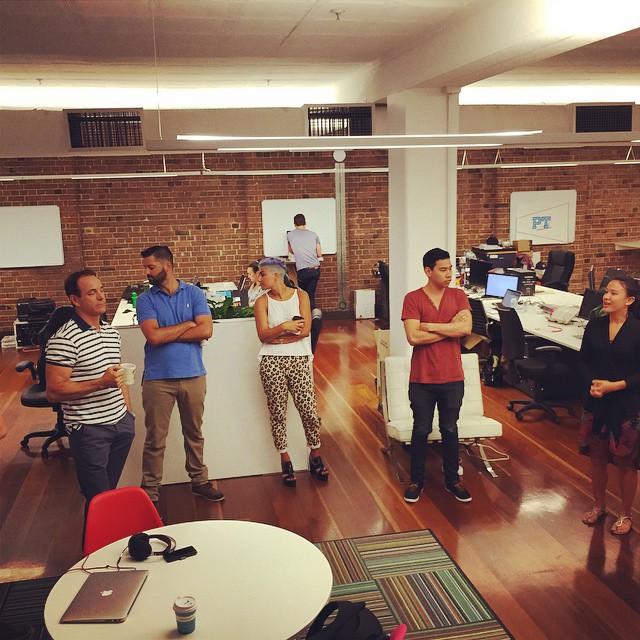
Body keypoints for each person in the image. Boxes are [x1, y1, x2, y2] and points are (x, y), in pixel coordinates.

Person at [136, 245, 224, 506]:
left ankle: (199, 481)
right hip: (157, 379)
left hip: (194, 375)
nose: (147, 272)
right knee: (155, 439)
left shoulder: (194, 294)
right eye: (145, 267)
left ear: (168, 266)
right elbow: (153, 336)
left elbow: (206, 330)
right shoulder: (145, 300)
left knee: (194, 433)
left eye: (150, 267)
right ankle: (150, 492)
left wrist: (169, 333)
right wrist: (188, 324)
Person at [46, 269, 135, 522]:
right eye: (92, 292)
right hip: (89, 430)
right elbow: (54, 391)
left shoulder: (110, 332)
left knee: (108, 493)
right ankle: (95, 555)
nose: (100, 297)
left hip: (121, 424)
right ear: (75, 300)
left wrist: (128, 415)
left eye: (101, 290)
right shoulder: (64, 338)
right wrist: (99, 383)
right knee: (99, 500)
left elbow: (118, 376)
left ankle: (108, 548)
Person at [401, 248, 473, 504]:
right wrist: (450, 330)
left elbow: (466, 328)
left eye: (450, 268)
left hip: (453, 376)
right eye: (442, 269)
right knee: (420, 429)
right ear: (428, 271)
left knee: (450, 429)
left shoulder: (458, 295)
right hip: (422, 378)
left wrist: (430, 325)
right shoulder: (413, 299)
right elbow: (413, 337)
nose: (448, 274)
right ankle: (416, 480)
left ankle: (452, 479)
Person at [254, 256, 328, 487]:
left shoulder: (301, 296)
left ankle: (315, 454)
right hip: (271, 362)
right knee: (277, 412)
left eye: (262, 274)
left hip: (299, 359)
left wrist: (277, 336)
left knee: (308, 409)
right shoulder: (261, 302)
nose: (259, 278)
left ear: (276, 275)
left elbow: (305, 330)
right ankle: (285, 459)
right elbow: (262, 336)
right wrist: (285, 327)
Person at [578, 276, 640, 535]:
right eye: (606, 292)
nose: (606, 296)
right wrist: (593, 383)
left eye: (613, 293)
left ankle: (625, 514)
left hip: (626, 403)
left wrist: (616, 386)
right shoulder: (595, 325)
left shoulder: (638, 329)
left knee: (626, 461)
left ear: (629, 300)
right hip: (597, 401)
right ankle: (599, 506)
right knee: (597, 456)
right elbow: (582, 360)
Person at [287, 213, 322, 310]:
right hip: (315, 269)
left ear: (294, 224)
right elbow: (319, 254)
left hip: (303, 270)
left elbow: (291, 250)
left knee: (303, 296)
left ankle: (306, 319)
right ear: (305, 223)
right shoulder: (314, 234)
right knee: (311, 295)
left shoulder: (290, 235)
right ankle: (313, 319)